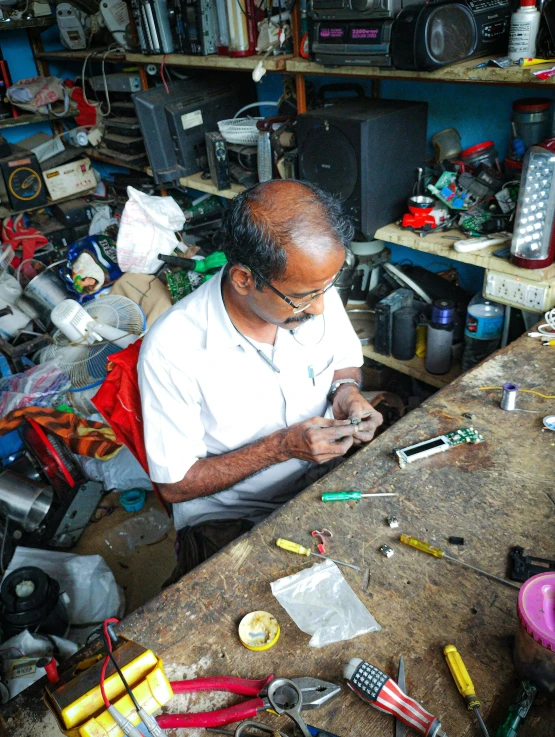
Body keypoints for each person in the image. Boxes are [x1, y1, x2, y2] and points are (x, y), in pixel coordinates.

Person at [138, 180, 383, 576]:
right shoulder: (172, 350)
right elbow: (175, 485)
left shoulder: (309, 289)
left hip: (322, 483)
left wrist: (346, 391)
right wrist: (282, 447)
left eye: (326, 288)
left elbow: (343, 362)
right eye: (305, 296)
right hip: (235, 515)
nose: (321, 307)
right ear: (243, 279)